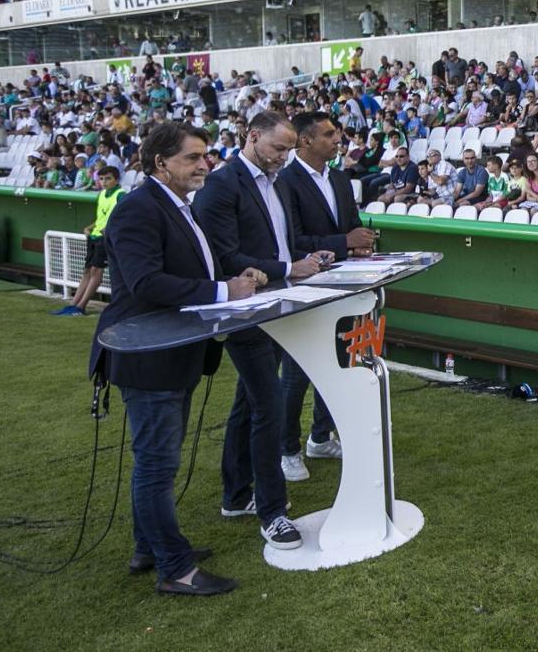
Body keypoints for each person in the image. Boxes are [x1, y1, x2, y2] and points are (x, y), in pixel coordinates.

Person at [90, 122, 262, 596]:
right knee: (156, 465)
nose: (205, 164)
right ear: (160, 163)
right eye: (193, 157)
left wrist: (235, 275)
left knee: (156, 460)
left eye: (206, 156)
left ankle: (148, 547)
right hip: (149, 357)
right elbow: (146, 284)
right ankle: (175, 568)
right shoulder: (136, 210)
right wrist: (225, 290)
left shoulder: (178, 207)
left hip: (175, 353)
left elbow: (193, 268)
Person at [193, 111, 328, 552]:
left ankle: (236, 496)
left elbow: (283, 242)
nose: (284, 157)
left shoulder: (277, 181)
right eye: (278, 148)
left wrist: (311, 255)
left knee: (249, 402)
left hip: (276, 303)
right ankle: (273, 512)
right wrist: (290, 267)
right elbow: (224, 255)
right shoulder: (222, 183)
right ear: (252, 137)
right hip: (247, 309)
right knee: (267, 405)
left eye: (289, 149)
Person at [277, 112, 376, 482]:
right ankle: (286, 449)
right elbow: (291, 241)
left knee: (338, 362)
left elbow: (349, 227)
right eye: (329, 134)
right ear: (305, 140)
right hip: (303, 289)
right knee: (297, 373)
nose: (338, 139)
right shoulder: (284, 182)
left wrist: (359, 243)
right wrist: (344, 242)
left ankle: (320, 436)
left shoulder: (339, 178)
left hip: (342, 286)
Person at [53, 166, 125, 317]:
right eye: (102, 179)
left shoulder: (121, 195)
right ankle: (73, 304)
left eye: (108, 178)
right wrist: (90, 227)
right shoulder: (102, 194)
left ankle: (81, 306)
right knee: (86, 270)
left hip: (105, 238)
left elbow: (123, 217)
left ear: (116, 180)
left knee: (96, 270)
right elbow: (101, 218)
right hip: (94, 236)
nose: (104, 182)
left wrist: (109, 229)